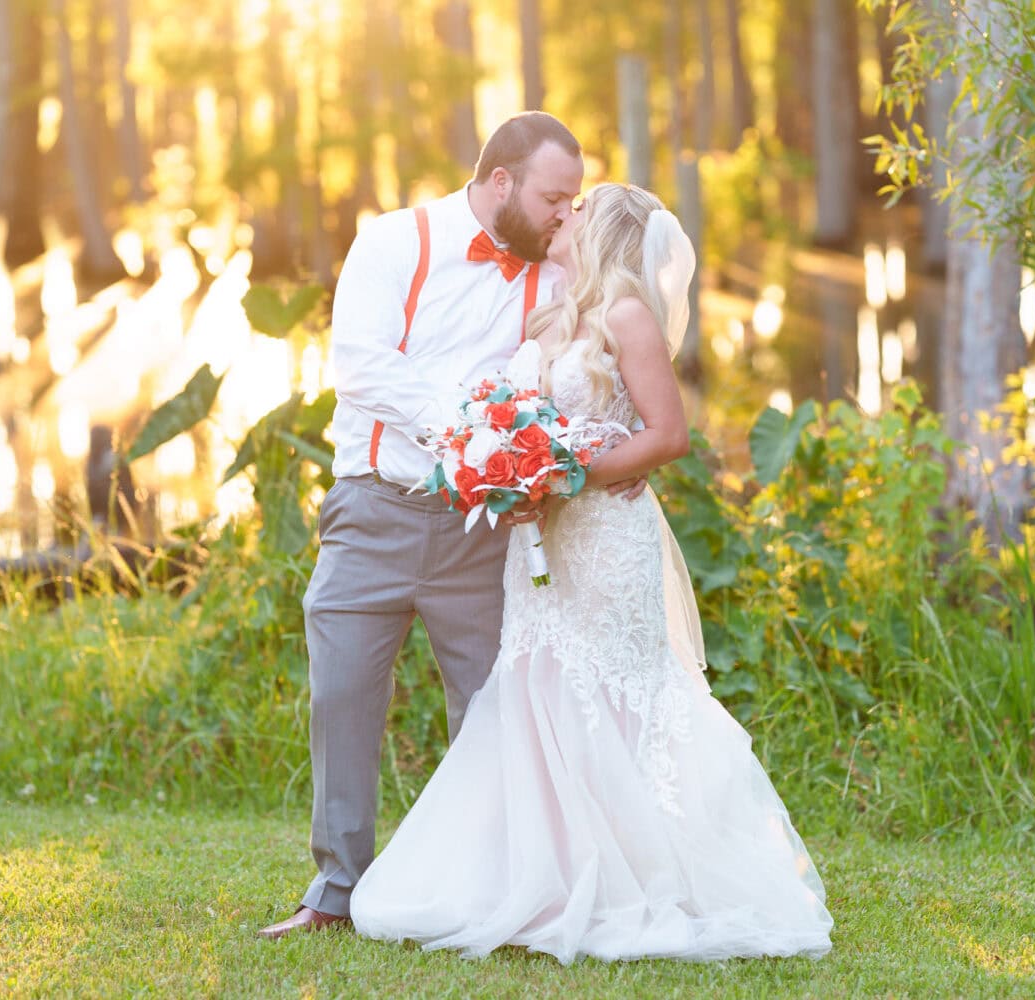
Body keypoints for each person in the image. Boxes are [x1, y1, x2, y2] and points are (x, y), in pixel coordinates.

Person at [347, 184, 835, 963]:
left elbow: (669, 434)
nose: (561, 215)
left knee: (611, 693)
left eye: (576, 207)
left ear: (599, 227)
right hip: (539, 544)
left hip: (606, 540)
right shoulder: (550, 317)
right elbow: (526, 423)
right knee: (537, 686)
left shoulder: (626, 316)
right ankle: (548, 875)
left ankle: (640, 877)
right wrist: (505, 475)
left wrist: (570, 472)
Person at [257, 112, 586, 938]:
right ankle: (335, 891)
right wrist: (465, 431)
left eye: (574, 201)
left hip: (483, 530)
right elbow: (363, 367)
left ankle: (494, 891)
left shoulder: (555, 273)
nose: (564, 215)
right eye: (554, 197)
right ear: (501, 182)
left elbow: (556, 380)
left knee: (491, 710)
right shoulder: (392, 242)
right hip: (373, 509)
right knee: (341, 697)